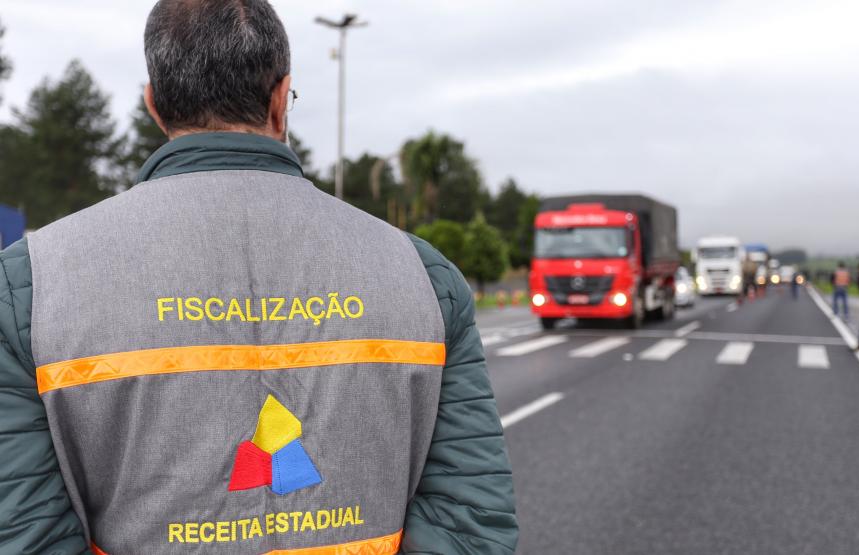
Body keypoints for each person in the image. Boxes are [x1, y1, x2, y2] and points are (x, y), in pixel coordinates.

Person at [0, 2, 517, 554]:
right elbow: (469, 525)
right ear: (280, 98)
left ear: (154, 103)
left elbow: (25, 534)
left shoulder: (29, 284)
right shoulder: (424, 277)